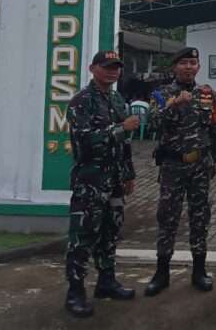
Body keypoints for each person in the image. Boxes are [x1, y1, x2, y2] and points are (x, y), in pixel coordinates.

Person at [64, 51, 139, 318]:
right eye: (107, 67)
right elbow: (83, 140)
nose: (113, 71)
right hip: (91, 179)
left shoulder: (118, 99)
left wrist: (128, 173)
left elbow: (126, 142)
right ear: (92, 68)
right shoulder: (80, 101)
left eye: (116, 67)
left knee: (110, 231)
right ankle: (74, 291)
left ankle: (106, 281)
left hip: (115, 178)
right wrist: (120, 129)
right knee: (83, 235)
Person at [145, 47, 216, 296]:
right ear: (175, 66)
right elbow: (153, 124)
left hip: (200, 165)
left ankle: (199, 270)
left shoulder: (207, 93)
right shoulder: (161, 93)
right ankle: (161, 272)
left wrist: (214, 160)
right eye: (184, 62)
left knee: (201, 216)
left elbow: (213, 128)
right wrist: (174, 105)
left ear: (198, 67)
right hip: (173, 166)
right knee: (168, 217)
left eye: (193, 62)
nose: (189, 67)